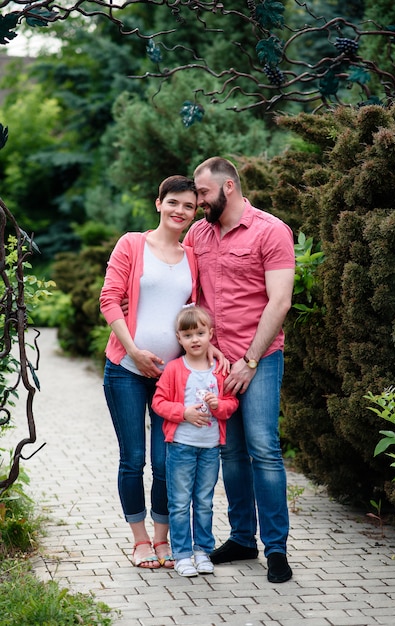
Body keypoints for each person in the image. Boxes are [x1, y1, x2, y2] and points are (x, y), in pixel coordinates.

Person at [183, 157, 295, 584]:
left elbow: (279, 301)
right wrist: (209, 348)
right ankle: (243, 538)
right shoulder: (199, 233)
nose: (198, 200)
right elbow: (193, 297)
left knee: (264, 448)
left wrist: (249, 360)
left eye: (203, 192)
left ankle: (277, 549)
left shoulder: (271, 231)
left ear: (228, 187)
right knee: (230, 451)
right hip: (217, 362)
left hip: (260, 358)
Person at [99, 175, 199, 569]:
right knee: (133, 459)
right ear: (159, 203)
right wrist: (134, 351)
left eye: (189, 206)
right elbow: (110, 299)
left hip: (170, 378)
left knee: (164, 461)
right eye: (173, 202)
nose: (180, 211)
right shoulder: (132, 244)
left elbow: (198, 314)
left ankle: (163, 539)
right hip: (125, 368)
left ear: (194, 213)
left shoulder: (192, 255)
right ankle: (139, 540)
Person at [151, 305, 238, 577]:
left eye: (200, 333)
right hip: (180, 447)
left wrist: (218, 406)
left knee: (204, 501)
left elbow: (231, 403)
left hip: (211, 448)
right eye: (188, 335)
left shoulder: (220, 370)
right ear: (179, 338)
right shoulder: (175, 369)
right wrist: (183, 413)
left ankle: (202, 551)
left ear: (210, 334)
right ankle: (182, 554)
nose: (195, 339)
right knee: (178, 502)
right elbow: (158, 402)